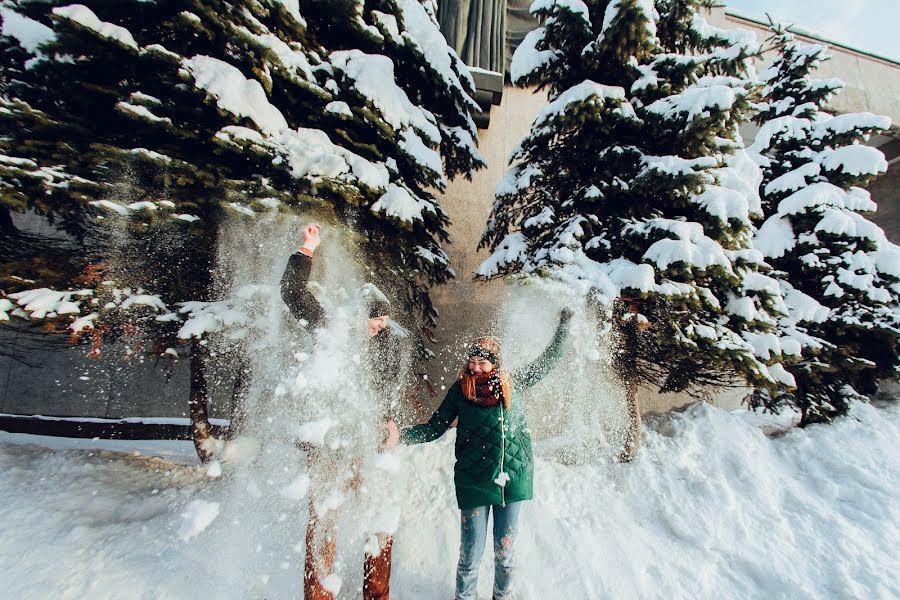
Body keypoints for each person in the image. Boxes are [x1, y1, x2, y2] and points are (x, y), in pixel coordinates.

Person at [382, 309, 572, 600]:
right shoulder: (460, 391)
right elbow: (434, 427)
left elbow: (548, 361)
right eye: (472, 362)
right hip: (473, 481)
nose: (476, 369)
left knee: (505, 553)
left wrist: (564, 327)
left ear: (494, 364)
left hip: (513, 480)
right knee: (470, 557)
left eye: (482, 363)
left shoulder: (513, 384)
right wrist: (401, 436)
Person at [281, 222, 402, 600]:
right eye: (374, 319)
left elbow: (387, 391)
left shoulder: (386, 344)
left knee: (380, 522)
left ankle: (376, 595)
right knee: (323, 523)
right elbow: (292, 293)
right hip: (330, 449)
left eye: (383, 321)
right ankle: (318, 595)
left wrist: (390, 421)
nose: (379, 327)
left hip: (367, 446)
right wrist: (307, 250)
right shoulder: (329, 329)